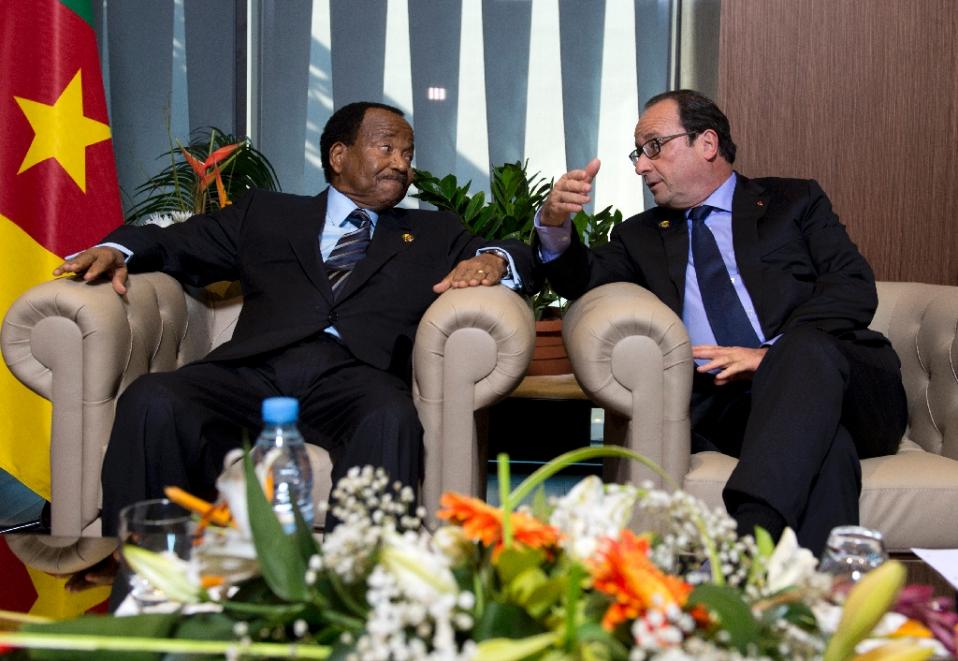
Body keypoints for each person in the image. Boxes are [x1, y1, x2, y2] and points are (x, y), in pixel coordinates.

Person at [55, 101, 538, 534]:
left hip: (357, 375)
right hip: (254, 368)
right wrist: (117, 248)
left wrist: (494, 259)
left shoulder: (433, 230)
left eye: (407, 154)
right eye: (387, 148)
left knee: (392, 418)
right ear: (339, 156)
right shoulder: (268, 214)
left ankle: (367, 584)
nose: (401, 164)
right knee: (153, 397)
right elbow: (179, 241)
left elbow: (516, 253)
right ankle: (140, 565)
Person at [535, 89, 906, 555]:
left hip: (851, 386)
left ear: (706, 143)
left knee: (804, 351)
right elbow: (583, 278)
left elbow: (852, 285)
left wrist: (771, 355)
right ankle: (817, 607)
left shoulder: (794, 202)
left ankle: (748, 540)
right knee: (828, 452)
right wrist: (553, 225)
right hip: (736, 406)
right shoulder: (639, 236)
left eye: (653, 147)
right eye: (638, 153)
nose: (640, 166)